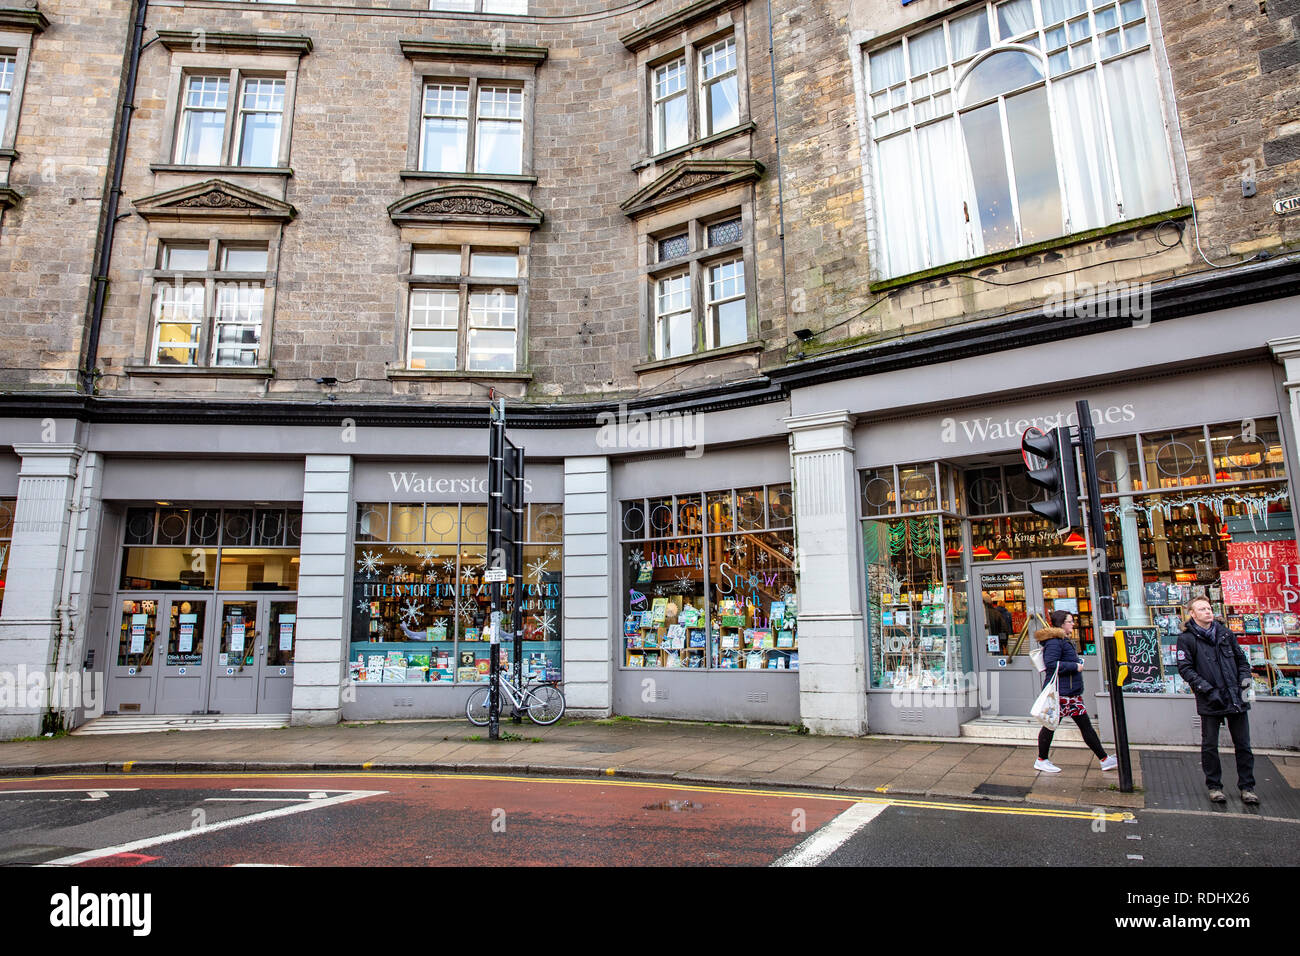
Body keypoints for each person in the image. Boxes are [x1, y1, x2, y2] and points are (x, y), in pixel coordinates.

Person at [1175, 596, 1258, 805]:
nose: (1207, 612)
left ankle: (1247, 787)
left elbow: (1241, 661)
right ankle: (1214, 786)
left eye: (1209, 608)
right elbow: (1185, 669)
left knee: (1243, 745)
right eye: (1202, 609)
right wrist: (1206, 689)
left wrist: (1245, 682)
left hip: (1235, 696)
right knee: (1210, 745)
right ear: (1192, 614)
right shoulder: (1187, 639)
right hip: (1210, 698)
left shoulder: (1225, 633)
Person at [1034, 610, 1118, 774]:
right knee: (1055, 726)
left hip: (1068, 692)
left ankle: (1104, 759)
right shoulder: (1055, 642)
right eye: (1070, 621)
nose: (1073, 624)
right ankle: (1042, 759)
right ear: (1062, 624)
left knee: (1057, 725)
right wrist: (1075, 666)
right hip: (1062, 693)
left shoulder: (1062, 640)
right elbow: (1051, 664)